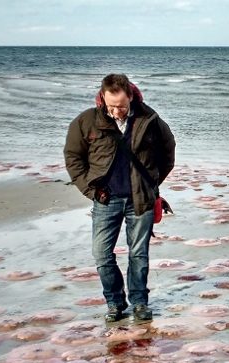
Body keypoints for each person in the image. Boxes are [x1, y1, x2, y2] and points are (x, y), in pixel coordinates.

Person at [64, 73, 176, 322]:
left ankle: (139, 303)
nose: (116, 112)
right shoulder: (86, 121)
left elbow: (168, 152)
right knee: (101, 255)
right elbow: (73, 157)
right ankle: (115, 303)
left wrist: (152, 184)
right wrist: (90, 190)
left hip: (141, 200)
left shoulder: (149, 118)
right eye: (111, 106)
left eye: (122, 106)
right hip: (105, 199)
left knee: (139, 254)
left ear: (132, 97)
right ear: (102, 99)